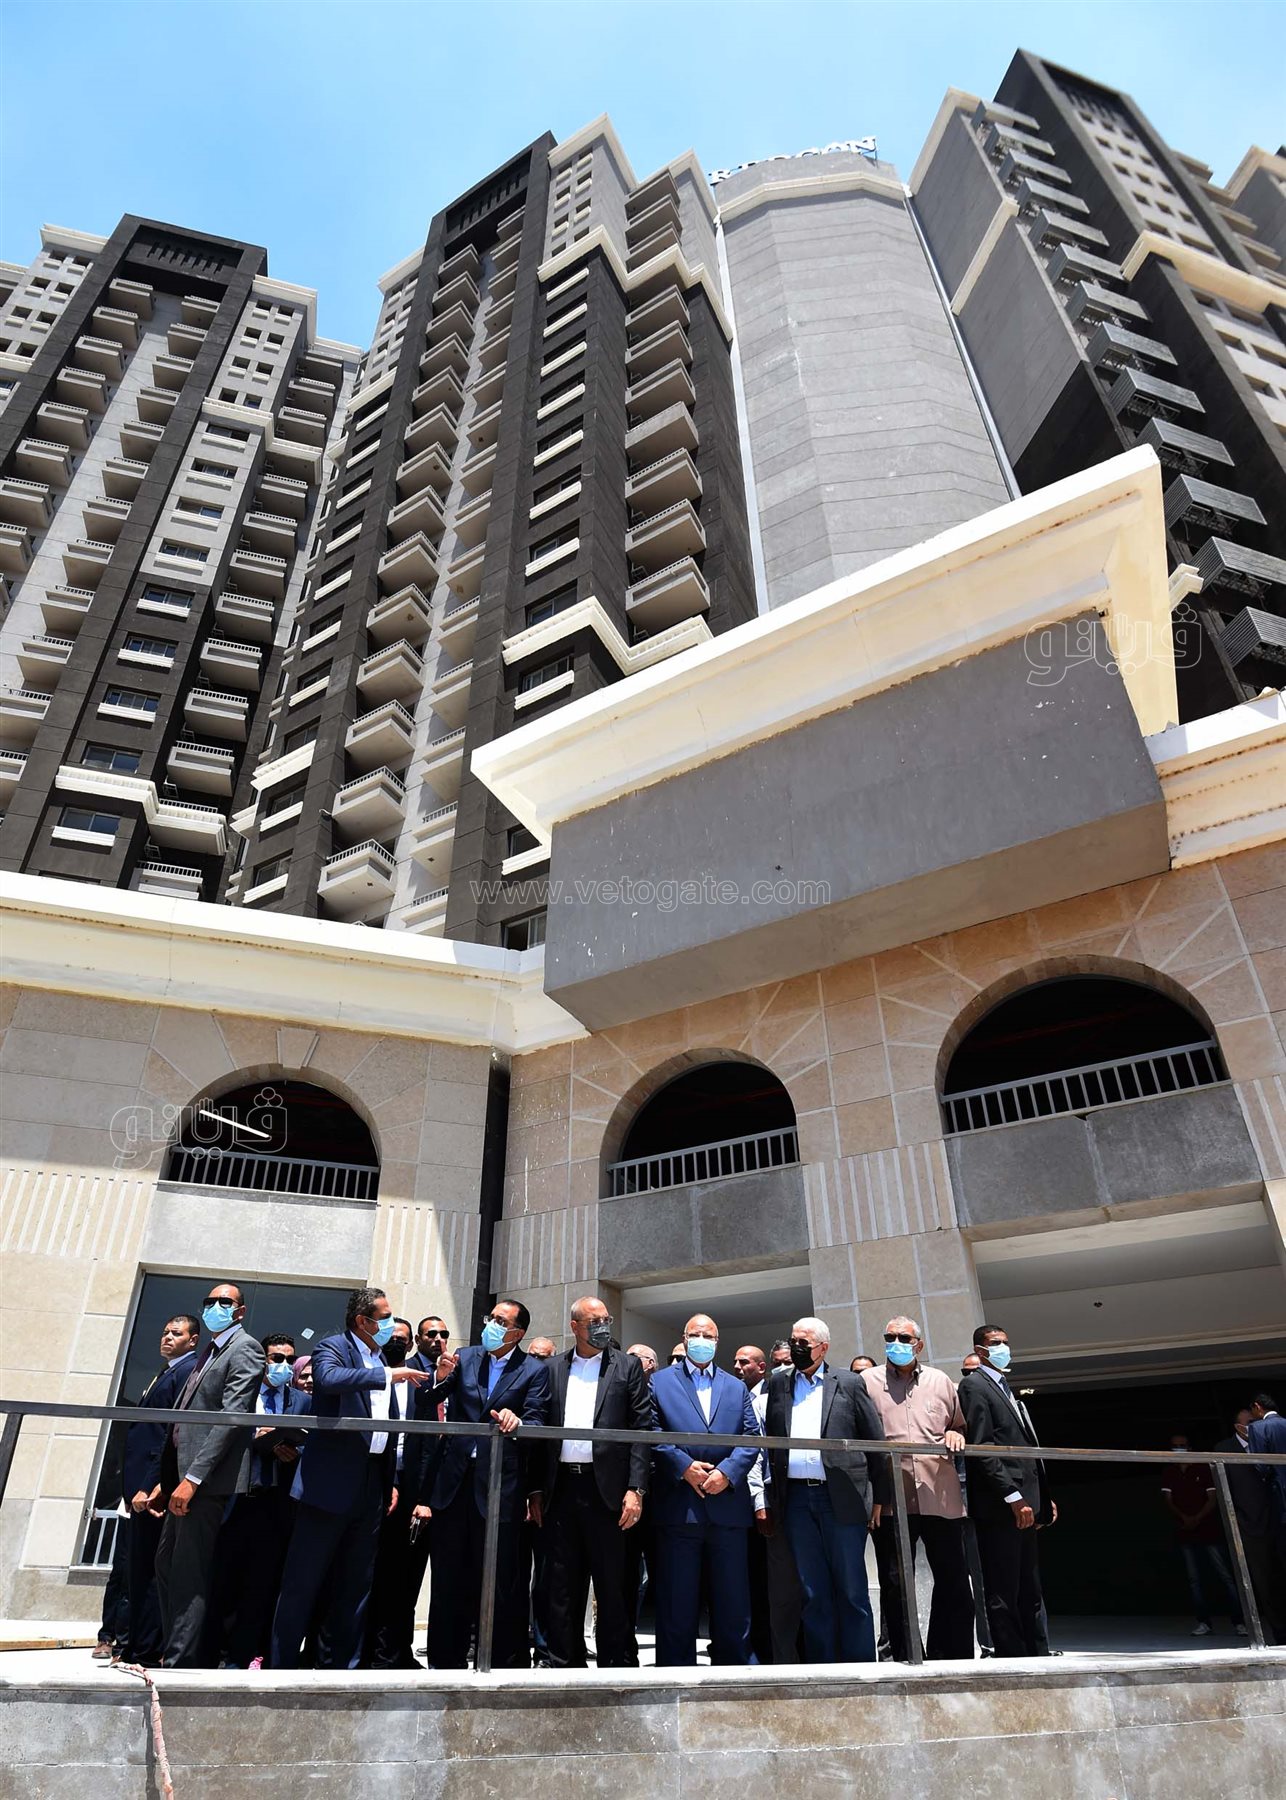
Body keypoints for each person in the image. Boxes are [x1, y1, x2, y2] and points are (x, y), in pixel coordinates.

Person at [270, 1287, 427, 1669]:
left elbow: (385, 1425)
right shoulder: (334, 1347)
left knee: (356, 1584)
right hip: (328, 1484)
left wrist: (388, 1481)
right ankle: (280, 1667)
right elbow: (328, 1378)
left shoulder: (377, 1357)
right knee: (303, 1581)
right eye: (385, 1317)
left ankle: (344, 1668)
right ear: (363, 1321)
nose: (390, 1323)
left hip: (371, 1484)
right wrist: (387, 1375)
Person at [419, 1298, 550, 1669]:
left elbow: (538, 1421)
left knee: (499, 1579)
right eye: (491, 1318)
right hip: (454, 1484)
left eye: (501, 1321)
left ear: (518, 1333)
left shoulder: (533, 1370)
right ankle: (445, 1663)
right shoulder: (465, 1357)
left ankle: (501, 1661)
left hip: (498, 1487)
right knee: (448, 1578)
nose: (491, 1325)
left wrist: (517, 1421)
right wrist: (439, 1377)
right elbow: (428, 1400)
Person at [533, 1296, 652, 1667]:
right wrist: (535, 1490)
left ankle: (616, 1665)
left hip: (610, 1494)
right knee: (561, 1584)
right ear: (575, 1327)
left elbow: (641, 1429)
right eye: (593, 1322)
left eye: (606, 1320)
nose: (602, 1327)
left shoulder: (627, 1366)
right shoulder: (552, 1368)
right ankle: (564, 1663)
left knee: (613, 1583)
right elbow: (539, 1429)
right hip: (561, 1491)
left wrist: (636, 1489)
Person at [764, 1316, 889, 1663]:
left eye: (803, 1343)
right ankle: (824, 1667)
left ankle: (860, 1666)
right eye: (793, 1341)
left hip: (842, 1497)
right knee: (813, 1590)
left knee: (851, 1590)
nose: (796, 1348)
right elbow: (772, 1440)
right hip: (796, 1500)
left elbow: (875, 1442)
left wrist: (880, 1498)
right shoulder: (779, 1384)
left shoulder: (848, 1382)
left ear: (823, 1347)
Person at [152, 1280, 264, 1667]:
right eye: (210, 1300)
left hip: (204, 1483)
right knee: (167, 1565)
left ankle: (180, 1662)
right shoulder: (211, 1351)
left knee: (188, 1572)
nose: (216, 1306)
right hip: (179, 1477)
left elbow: (232, 1418)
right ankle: (174, 1650)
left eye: (225, 1302)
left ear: (240, 1311)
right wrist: (168, 1478)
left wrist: (194, 1479)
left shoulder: (245, 1348)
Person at [649, 1313, 762, 1666]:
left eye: (708, 1335)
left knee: (732, 1602)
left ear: (717, 1341)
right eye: (696, 1334)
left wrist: (727, 1472)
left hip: (727, 1508)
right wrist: (684, 1467)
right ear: (685, 1339)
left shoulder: (736, 1387)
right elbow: (651, 1431)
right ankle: (675, 1676)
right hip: (679, 1509)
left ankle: (732, 1673)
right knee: (677, 1601)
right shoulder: (659, 1382)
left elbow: (751, 1437)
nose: (702, 1340)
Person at [865, 1315, 974, 1661]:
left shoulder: (940, 1381)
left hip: (940, 1495)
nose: (895, 1343)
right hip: (891, 1500)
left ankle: (951, 1656)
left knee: (954, 1580)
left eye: (904, 1338)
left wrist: (955, 1432)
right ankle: (905, 1655)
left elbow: (958, 1425)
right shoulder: (867, 1382)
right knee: (896, 1582)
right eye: (890, 1337)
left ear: (919, 1345)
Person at [213, 1331, 310, 1667]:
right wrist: (254, 1435)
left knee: (262, 1581)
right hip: (239, 1496)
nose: (283, 1365)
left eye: (289, 1359)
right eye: (276, 1358)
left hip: (276, 1500)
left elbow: (310, 1444)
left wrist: (292, 1451)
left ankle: (245, 1654)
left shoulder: (300, 1401)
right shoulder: (244, 1391)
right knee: (225, 1577)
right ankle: (216, 1651)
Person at [959, 1323, 1054, 1657]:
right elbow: (983, 1447)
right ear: (980, 1349)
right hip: (1002, 1507)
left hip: (1028, 1503)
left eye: (1005, 1342)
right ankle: (1011, 1655)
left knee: (1029, 1585)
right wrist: (1013, 1497)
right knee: (1003, 1586)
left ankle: (1037, 1651)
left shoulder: (1004, 1386)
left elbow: (1025, 1448)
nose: (1003, 1348)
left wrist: (1042, 1496)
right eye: (995, 1343)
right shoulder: (974, 1385)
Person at [119, 1313, 199, 1666]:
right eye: (165, 1332)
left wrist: (153, 1483)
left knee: (151, 1571)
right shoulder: (166, 1371)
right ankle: (132, 1645)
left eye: (176, 1333)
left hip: (152, 1491)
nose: (167, 1337)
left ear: (193, 1340)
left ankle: (146, 1650)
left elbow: (170, 1434)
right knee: (134, 1571)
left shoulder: (187, 1372)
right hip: (136, 1487)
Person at [364, 1317, 429, 1669]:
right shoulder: (369, 1376)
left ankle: (395, 1652)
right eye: (391, 1337)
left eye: (402, 1340)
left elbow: (430, 1444)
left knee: (403, 1574)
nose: (396, 1344)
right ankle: (361, 1650)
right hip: (372, 1481)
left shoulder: (421, 1383)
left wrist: (423, 1497)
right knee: (366, 1570)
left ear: (411, 1345)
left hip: (410, 1486)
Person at [1161, 1431, 1242, 1637]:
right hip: (1185, 1532)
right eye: (1175, 1446)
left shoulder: (1203, 1467)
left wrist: (1197, 1518)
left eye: (1182, 1445)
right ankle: (1203, 1623)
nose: (1178, 1449)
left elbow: (1212, 1498)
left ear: (1190, 1448)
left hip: (1209, 1530)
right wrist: (1185, 1519)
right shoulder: (1169, 1471)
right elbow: (1168, 1501)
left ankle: (1240, 1622)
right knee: (1194, 1580)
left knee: (1225, 1576)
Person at [1217, 1407, 1281, 1642]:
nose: (1256, 1427)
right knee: (1264, 1582)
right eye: (1251, 1423)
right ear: (1238, 1427)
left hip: (1278, 1521)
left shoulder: (1267, 1442)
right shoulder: (1224, 1450)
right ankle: (1278, 1631)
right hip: (1250, 1526)